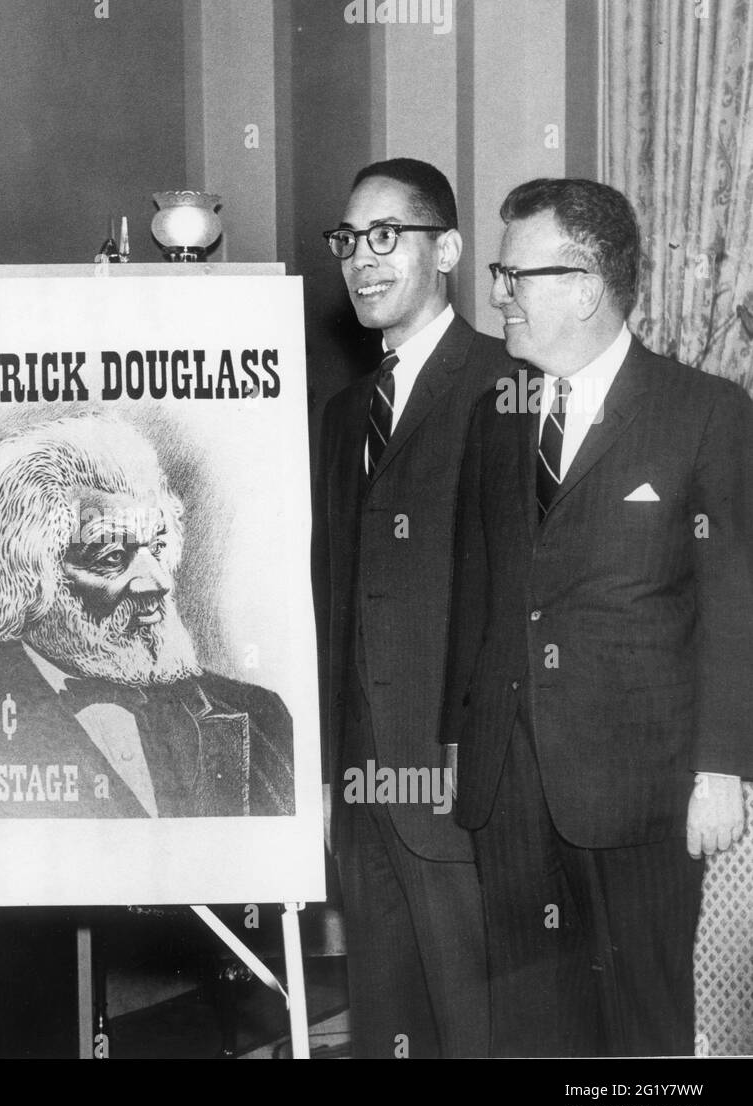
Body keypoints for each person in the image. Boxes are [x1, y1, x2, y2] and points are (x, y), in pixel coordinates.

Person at [444, 177, 753, 1057]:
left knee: (641, 1032)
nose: (496, 294)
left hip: (639, 792)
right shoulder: (493, 418)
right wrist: (459, 755)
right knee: (532, 1031)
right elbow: (481, 597)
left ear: (583, 287)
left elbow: (738, 601)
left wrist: (723, 768)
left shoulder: (706, 415)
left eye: (513, 276)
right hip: (508, 787)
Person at [315, 158, 510, 1059]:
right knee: (388, 1032)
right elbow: (332, 598)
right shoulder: (344, 412)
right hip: (365, 797)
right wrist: (327, 777)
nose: (363, 260)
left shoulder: (506, 388)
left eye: (387, 235)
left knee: (480, 1034)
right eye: (350, 240)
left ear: (452, 249)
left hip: (461, 794)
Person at [0, 414, 295, 820]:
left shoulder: (260, 716)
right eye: (112, 557)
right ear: (27, 581)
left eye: (155, 548)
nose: (156, 583)